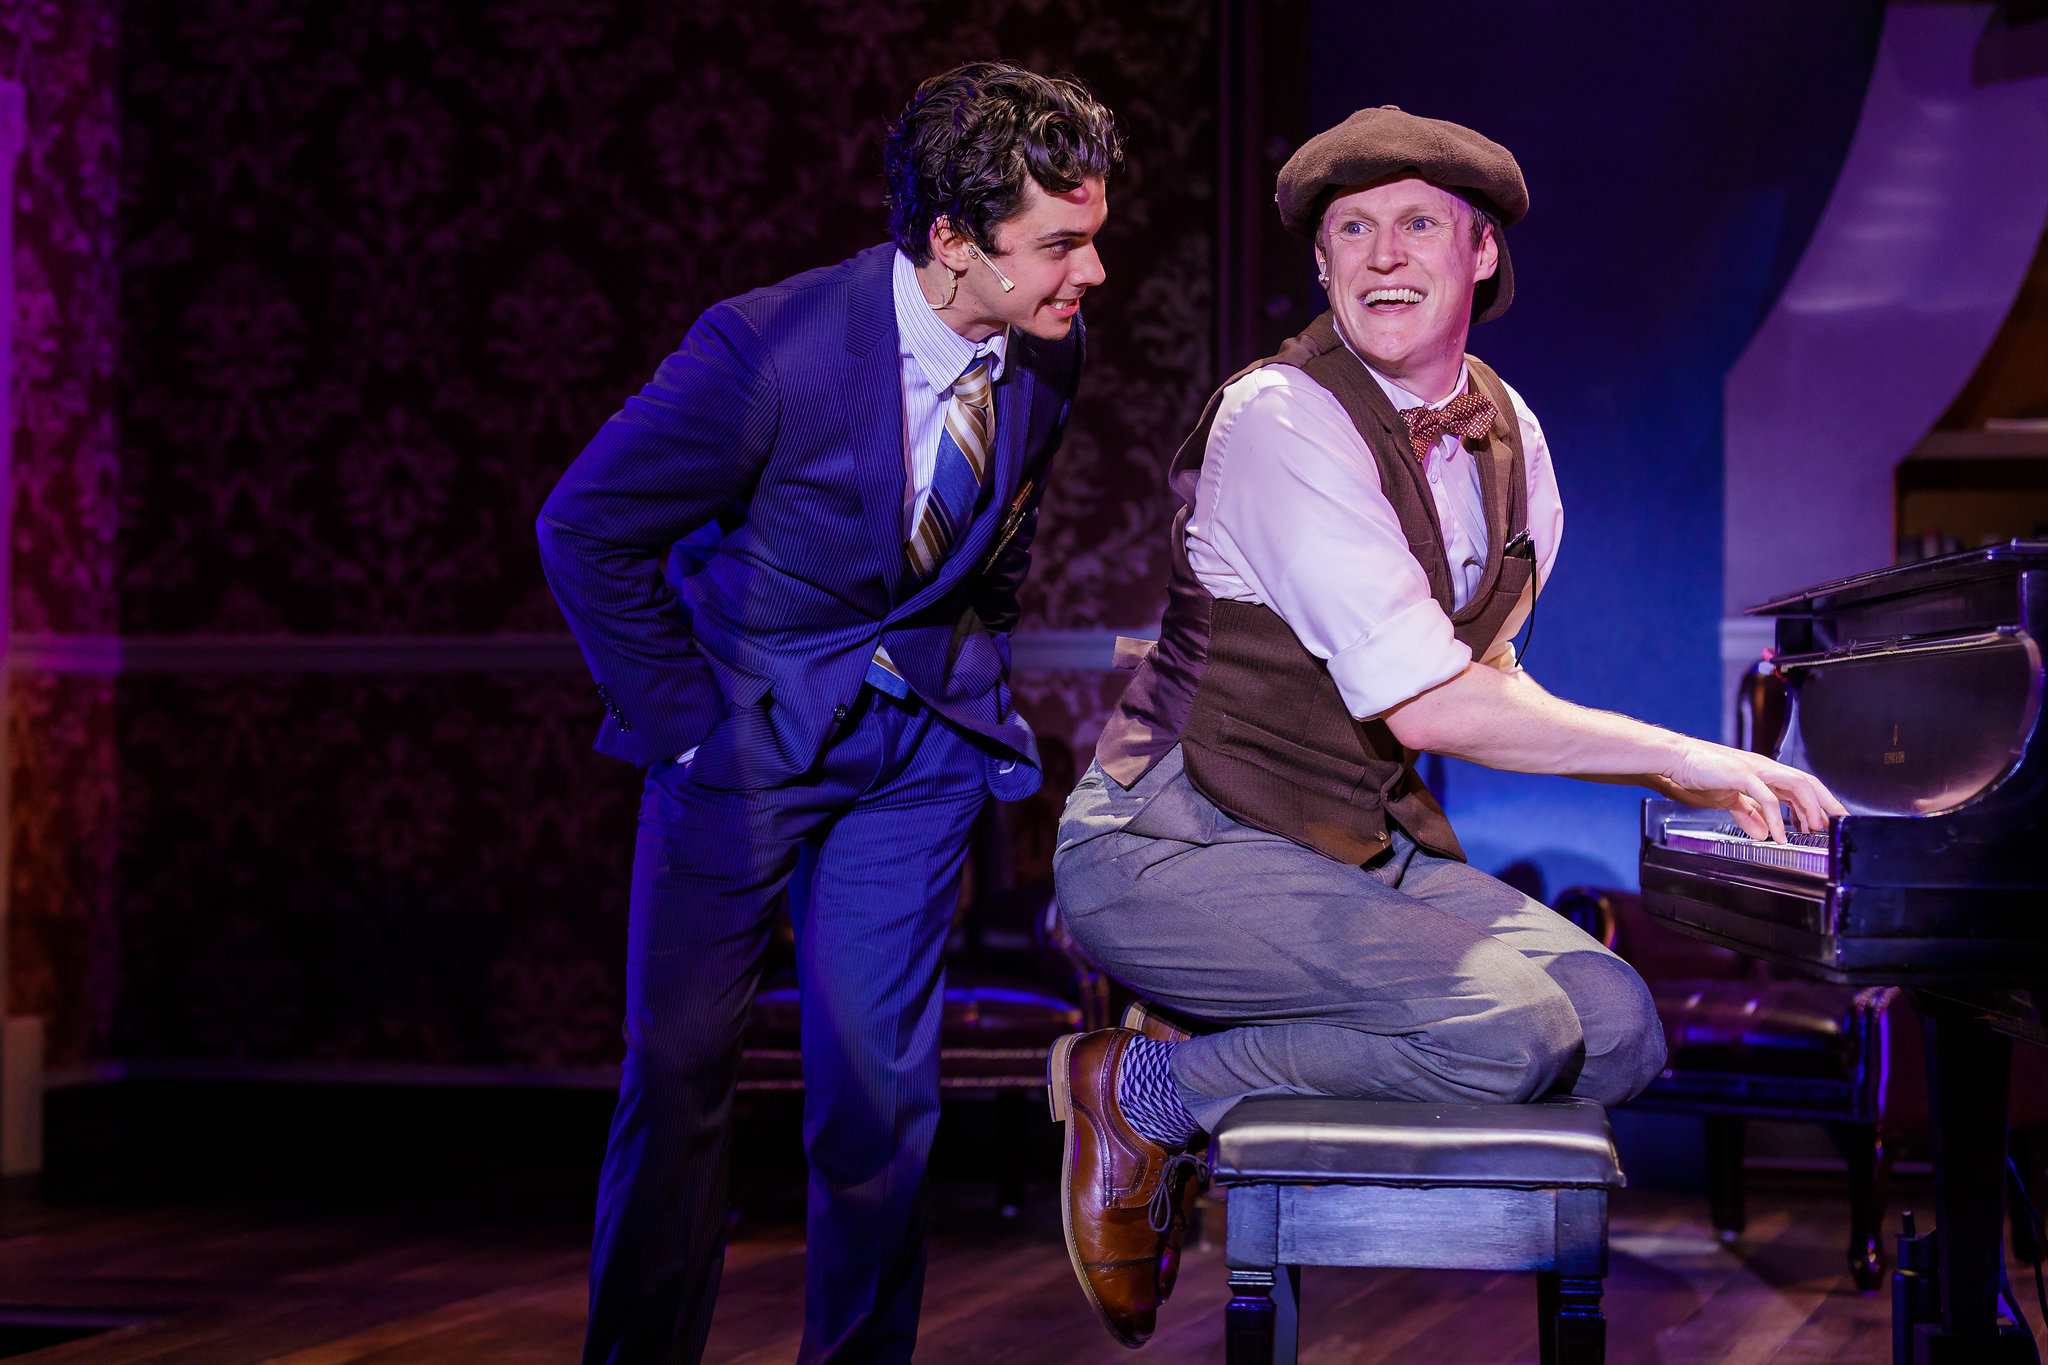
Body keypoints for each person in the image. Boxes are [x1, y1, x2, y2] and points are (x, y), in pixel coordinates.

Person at [1044, 105, 1845, 1347]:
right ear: (1321, 266)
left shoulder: (1511, 436)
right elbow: (1427, 701)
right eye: (1348, 230)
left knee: (1619, 1030)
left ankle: (1227, 1029)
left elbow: (1487, 675)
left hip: (1349, 848)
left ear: (1480, 253)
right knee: (1508, 1029)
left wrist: (1665, 760)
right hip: (1171, 844)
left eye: (1417, 224)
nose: (1380, 255)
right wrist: (1684, 759)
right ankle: (1145, 1087)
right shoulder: (1278, 417)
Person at [538, 61, 1120, 1365]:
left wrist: (967, 679)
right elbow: (583, 528)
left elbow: (998, 542)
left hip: (912, 762)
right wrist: (690, 728)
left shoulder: (1051, 346)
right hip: (739, 748)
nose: (1091, 272)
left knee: (877, 1095)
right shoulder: (768, 351)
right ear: (953, 240)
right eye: (1060, 244)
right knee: (680, 1077)